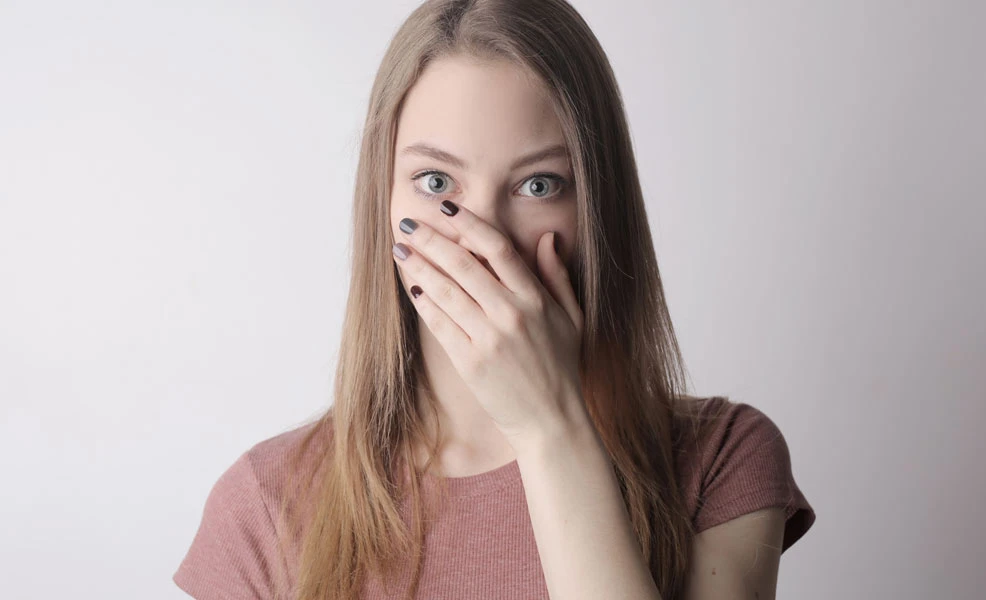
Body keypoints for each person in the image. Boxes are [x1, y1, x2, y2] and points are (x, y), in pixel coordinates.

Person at [173, 1, 816, 599]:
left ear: (597, 207)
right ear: (382, 201)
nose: (484, 239)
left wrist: (548, 429)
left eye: (538, 184)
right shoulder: (264, 506)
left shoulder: (723, 458)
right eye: (436, 182)